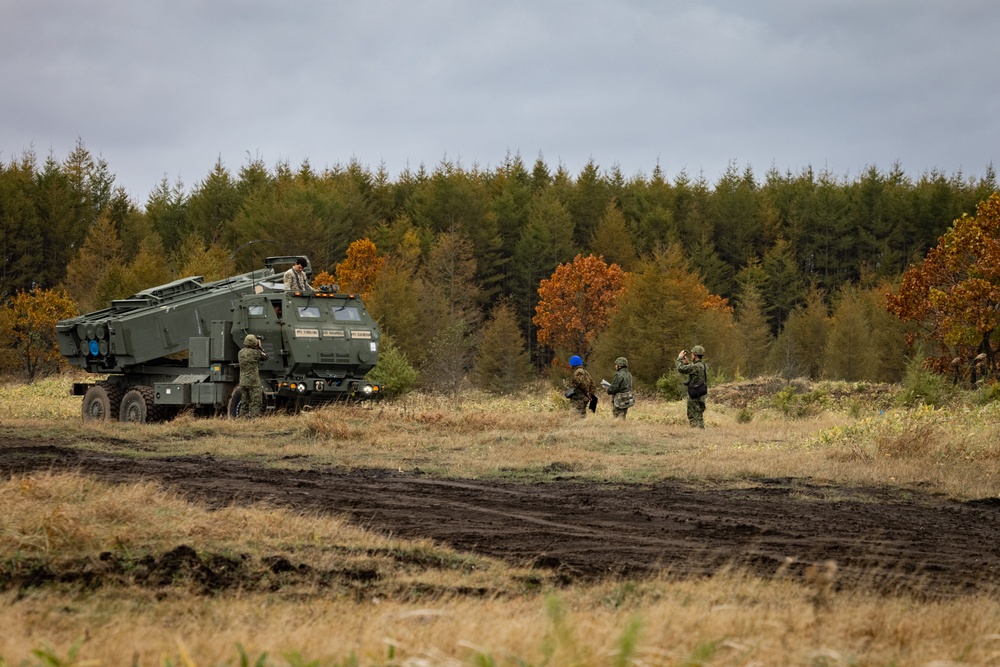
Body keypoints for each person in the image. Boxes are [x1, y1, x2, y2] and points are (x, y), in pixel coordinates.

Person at [676, 345, 708, 428]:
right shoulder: (703, 366)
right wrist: (686, 363)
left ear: (695, 355)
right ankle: (701, 433)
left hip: (694, 394)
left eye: (692, 354)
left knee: (693, 415)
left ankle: (695, 434)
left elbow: (681, 369)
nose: (691, 355)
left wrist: (679, 358)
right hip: (701, 394)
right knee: (699, 415)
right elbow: (694, 373)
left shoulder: (695, 366)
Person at [238, 333, 268, 418]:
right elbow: (266, 357)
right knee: (256, 403)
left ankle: (242, 420)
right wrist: (260, 347)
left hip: (243, 382)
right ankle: (254, 421)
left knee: (244, 403)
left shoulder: (240, 353)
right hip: (253, 383)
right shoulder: (256, 353)